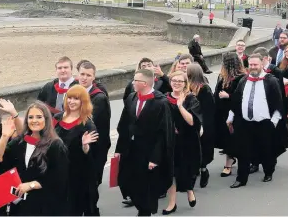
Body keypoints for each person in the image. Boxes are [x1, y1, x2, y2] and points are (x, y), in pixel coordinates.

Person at [0, 101, 70, 216]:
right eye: (31, 117)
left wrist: (31, 184)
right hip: (21, 202)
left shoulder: (55, 145)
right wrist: (4, 136)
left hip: (44, 203)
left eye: (39, 117)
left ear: (46, 119)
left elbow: (59, 178)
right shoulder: (21, 141)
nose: (34, 120)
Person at [115, 69, 174, 216]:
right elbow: (124, 125)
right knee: (129, 182)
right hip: (131, 150)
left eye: (136, 80)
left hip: (149, 152)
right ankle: (141, 207)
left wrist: (155, 158)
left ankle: (145, 212)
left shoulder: (161, 103)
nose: (133, 83)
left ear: (146, 83)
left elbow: (163, 134)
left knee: (146, 187)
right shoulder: (131, 98)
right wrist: (119, 148)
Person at [226, 54, 285, 188]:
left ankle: (268, 172)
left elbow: (278, 103)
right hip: (245, 122)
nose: (253, 67)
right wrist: (230, 117)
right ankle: (241, 178)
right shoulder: (243, 81)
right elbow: (236, 101)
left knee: (266, 150)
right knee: (243, 151)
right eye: (250, 65)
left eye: (255, 65)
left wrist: (273, 122)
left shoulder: (271, 81)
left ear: (261, 65)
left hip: (264, 123)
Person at [52, 85, 100, 216]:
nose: (71, 101)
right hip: (57, 171)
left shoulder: (87, 125)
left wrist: (84, 146)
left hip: (76, 175)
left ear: (83, 101)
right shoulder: (57, 118)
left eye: (76, 99)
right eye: (70, 98)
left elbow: (94, 155)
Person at [162, 71, 202, 215]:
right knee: (172, 172)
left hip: (188, 142)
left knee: (186, 170)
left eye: (180, 81)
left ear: (185, 84)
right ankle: (172, 203)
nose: (177, 83)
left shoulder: (191, 99)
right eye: (174, 80)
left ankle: (189, 191)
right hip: (170, 142)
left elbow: (192, 121)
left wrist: (180, 106)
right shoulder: (164, 99)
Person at [78, 61, 111, 188]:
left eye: (88, 75)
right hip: (81, 144)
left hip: (96, 146)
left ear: (93, 77)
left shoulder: (99, 98)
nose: (84, 78)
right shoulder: (74, 92)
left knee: (92, 184)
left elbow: (88, 122)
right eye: (82, 74)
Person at [214, 52, 246, 177]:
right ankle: (230, 159)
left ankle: (229, 163)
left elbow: (243, 97)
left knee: (234, 138)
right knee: (227, 139)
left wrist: (229, 96)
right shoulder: (222, 76)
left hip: (235, 112)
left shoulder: (241, 78)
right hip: (222, 112)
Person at [187, 63, 215, 188]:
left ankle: (204, 171)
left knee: (202, 151)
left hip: (202, 125)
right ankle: (193, 175)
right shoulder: (188, 88)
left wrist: (203, 126)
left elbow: (208, 111)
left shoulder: (204, 89)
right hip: (190, 124)